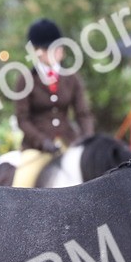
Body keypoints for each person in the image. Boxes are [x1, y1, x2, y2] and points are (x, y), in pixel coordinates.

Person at [12, 18, 94, 188]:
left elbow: (83, 114)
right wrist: (43, 142)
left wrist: (87, 140)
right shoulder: (25, 79)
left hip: (69, 143)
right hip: (37, 149)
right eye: (51, 47)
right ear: (38, 52)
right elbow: (23, 119)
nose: (59, 51)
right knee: (21, 183)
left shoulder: (71, 78)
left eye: (59, 46)